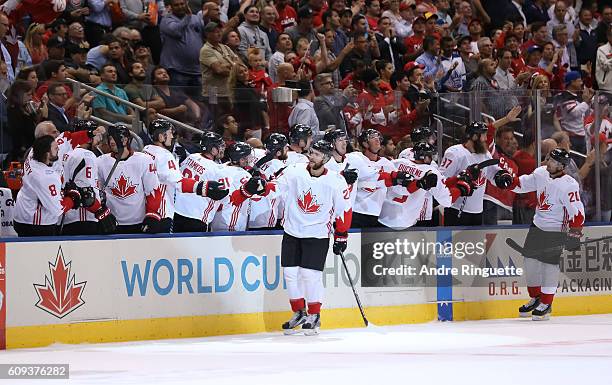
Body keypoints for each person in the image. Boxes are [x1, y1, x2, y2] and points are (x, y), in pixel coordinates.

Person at [275, 140, 352, 335]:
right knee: (290, 275)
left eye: (317, 155)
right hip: (292, 231)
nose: (311, 157)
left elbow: (345, 210)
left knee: (310, 276)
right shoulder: (294, 171)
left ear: (325, 158)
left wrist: (341, 235)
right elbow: (276, 187)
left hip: (317, 234)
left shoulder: (335, 181)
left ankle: (314, 314)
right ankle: (299, 312)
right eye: (311, 153)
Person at [511, 148, 584, 320]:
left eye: (551, 160)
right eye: (548, 158)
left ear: (561, 166)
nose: (547, 162)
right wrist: (509, 181)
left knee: (548, 266)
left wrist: (575, 233)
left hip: (555, 229)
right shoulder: (541, 173)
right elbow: (523, 184)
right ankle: (536, 298)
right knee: (530, 263)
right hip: (537, 224)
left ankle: (547, 302)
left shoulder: (569, 185)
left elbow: (577, 211)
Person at [143, 119, 227, 232]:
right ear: (161, 136)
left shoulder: (146, 150)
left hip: (174, 209)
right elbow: (178, 182)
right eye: (169, 133)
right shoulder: (164, 156)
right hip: (165, 212)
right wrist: (202, 187)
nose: (172, 136)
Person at [379, 142, 470, 229]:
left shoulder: (398, 162)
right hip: (406, 222)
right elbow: (446, 201)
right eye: (430, 155)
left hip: (383, 217)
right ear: (425, 157)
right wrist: (460, 188)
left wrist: (456, 178)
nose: (432, 158)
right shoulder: (430, 171)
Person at [439, 121, 514, 226]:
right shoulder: (454, 153)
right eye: (483, 136)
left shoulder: (485, 153)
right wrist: (460, 182)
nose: (486, 139)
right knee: (454, 242)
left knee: (475, 242)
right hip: (456, 210)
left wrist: (501, 176)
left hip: (478, 211)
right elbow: (441, 180)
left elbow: (492, 171)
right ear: (474, 136)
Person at [97, 124, 163, 234]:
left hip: (138, 222)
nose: (112, 141)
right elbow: (97, 192)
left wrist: (152, 215)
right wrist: (102, 213)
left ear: (126, 140)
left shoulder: (144, 160)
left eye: (116, 137)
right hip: (112, 223)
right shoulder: (100, 162)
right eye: (110, 138)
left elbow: (153, 191)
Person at [13, 135, 81, 237]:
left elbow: (64, 139)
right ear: (47, 154)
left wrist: (89, 133)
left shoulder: (32, 155)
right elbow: (57, 209)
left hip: (21, 215)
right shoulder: (47, 177)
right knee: (41, 252)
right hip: (37, 224)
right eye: (55, 148)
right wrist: (72, 197)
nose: (58, 148)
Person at [61, 119, 116, 236]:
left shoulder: (64, 152)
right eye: (97, 136)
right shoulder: (86, 155)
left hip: (67, 218)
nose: (99, 141)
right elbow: (86, 193)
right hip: (83, 218)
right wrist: (102, 212)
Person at [173, 131, 230, 232]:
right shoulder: (217, 170)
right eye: (219, 146)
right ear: (212, 149)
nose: (222, 148)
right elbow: (225, 198)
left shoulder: (191, 157)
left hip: (177, 210)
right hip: (197, 216)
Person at [160, 0, 204, 99]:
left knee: (200, 102)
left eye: (182, 4)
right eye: (176, 5)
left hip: (196, 71)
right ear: (171, 7)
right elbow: (176, 31)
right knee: (179, 101)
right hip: (177, 70)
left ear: (186, 4)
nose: (180, 7)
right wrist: (188, 17)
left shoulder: (196, 18)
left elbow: (203, 35)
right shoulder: (166, 20)